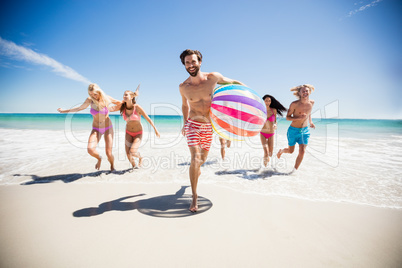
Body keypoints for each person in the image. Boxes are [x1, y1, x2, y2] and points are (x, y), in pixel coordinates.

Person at [179, 49, 246, 212]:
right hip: (193, 124)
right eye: (187, 62)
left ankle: (196, 171)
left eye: (193, 61)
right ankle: (194, 196)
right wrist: (184, 123)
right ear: (184, 65)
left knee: (201, 160)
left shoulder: (213, 78)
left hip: (209, 126)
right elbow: (184, 105)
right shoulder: (183, 87)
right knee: (195, 158)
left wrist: (249, 95)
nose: (191, 65)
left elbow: (233, 83)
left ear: (200, 62)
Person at [57, 83, 121, 171]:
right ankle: (99, 159)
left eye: (95, 94)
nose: (93, 96)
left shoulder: (106, 98)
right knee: (90, 149)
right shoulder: (90, 100)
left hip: (108, 128)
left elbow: (121, 103)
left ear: (99, 92)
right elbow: (79, 108)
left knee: (109, 153)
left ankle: (112, 166)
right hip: (96, 129)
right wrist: (64, 111)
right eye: (90, 94)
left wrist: (128, 104)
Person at [110, 89, 160, 169]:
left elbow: (148, 118)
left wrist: (155, 129)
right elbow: (111, 109)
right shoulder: (122, 107)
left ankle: (140, 157)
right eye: (124, 95)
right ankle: (134, 167)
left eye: (126, 95)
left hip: (138, 133)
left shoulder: (137, 107)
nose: (124, 96)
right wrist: (100, 106)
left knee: (132, 152)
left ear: (131, 97)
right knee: (128, 153)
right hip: (128, 132)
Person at [277, 84, 316, 171]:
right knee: (291, 151)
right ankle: (281, 151)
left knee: (302, 151)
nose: (305, 93)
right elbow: (287, 117)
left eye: (306, 91)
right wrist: (299, 118)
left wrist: (310, 122)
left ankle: (294, 172)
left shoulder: (312, 103)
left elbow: (309, 113)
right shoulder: (294, 104)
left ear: (309, 92)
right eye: (303, 91)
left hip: (305, 131)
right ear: (299, 93)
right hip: (293, 131)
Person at [260, 94, 287, 166]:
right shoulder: (260, 110)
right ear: (263, 101)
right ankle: (262, 171)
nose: (268, 102)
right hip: (263, 133)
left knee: (270, 153)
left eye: (269, 101)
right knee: (266, 151)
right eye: (266, 101)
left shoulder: (273, 110)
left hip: (271, 133)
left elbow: (275, 121)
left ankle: (266, 162)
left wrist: (275, 124)